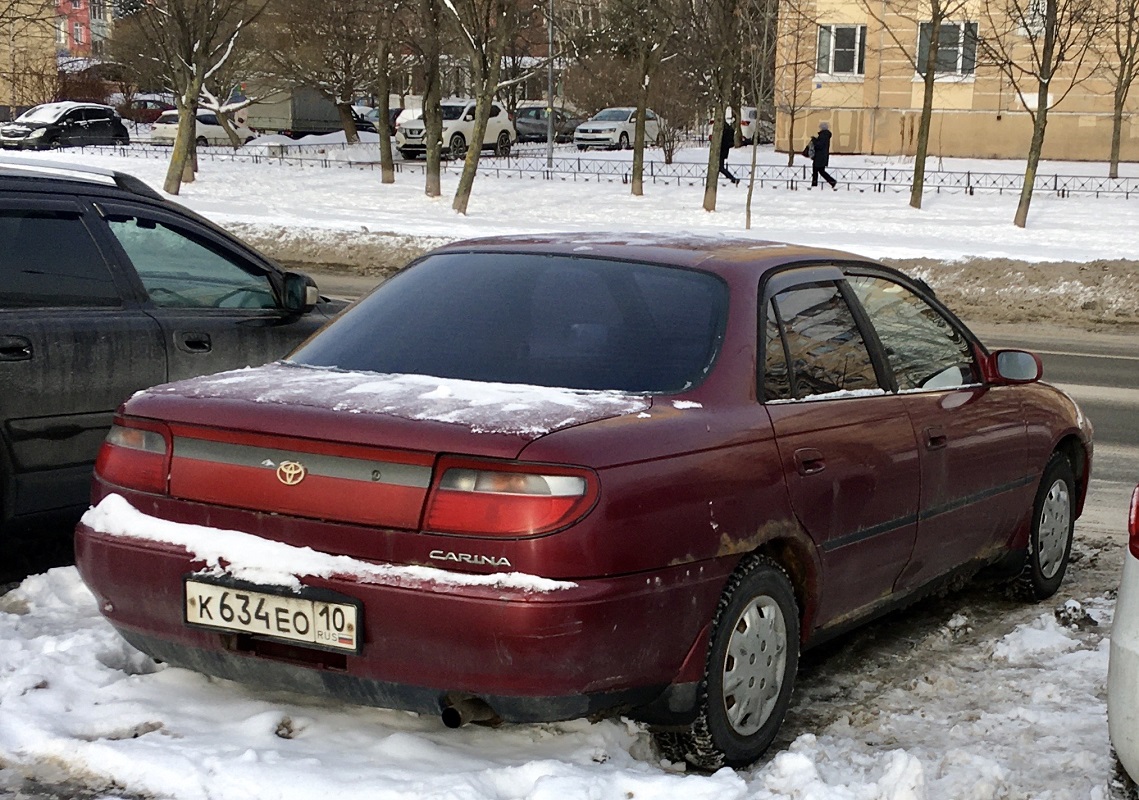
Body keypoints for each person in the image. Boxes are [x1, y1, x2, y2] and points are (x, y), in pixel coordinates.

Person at [811, 120, 837, 190]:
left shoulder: (823, 135)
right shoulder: (825, 135)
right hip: (822, 156)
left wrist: (814, 140)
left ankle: (815, 184)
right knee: (820, 170)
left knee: (816, 170)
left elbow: (819, 145)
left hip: (820, 156)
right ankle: (831, 181)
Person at [718, 121, 740, 186]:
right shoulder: (730, 130)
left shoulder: (726, 131)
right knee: (719, 167)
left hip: (721, 151)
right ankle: (732, 178)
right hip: (724, 151)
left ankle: (733, 179)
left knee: (720, 167)